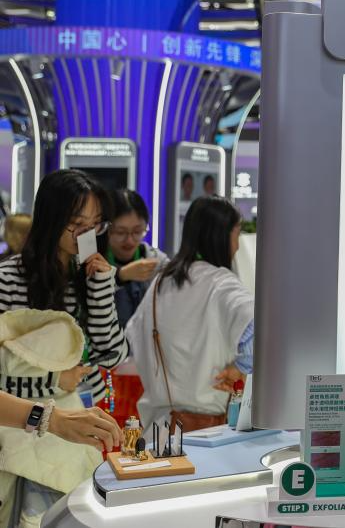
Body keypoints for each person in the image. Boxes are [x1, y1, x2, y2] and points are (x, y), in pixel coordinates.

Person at [0, 169, 129, 524]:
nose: (87, 234)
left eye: (96, 224)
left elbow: (113, 354)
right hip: (22, 430)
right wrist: (54, 380)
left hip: (82, 427)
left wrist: (101, 289)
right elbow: (5, 367)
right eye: (77, 224)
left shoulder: (89, 276)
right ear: (51, 219)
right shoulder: (8, 279)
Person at [126, 196, 253, 431]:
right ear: (223, 235)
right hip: (209, 430)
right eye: (237, 233)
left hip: (158, 427)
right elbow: (260, 328)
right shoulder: (222, 284)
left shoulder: (160, 283)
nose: (237, 245)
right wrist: (240, 368)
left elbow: (133, 339)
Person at [105, 190, 168, 328]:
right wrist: (120, 276)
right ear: (106, 229)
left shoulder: (156, 260)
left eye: (137, 232)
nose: (129, 240)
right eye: (120, 232)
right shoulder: (95, 260)